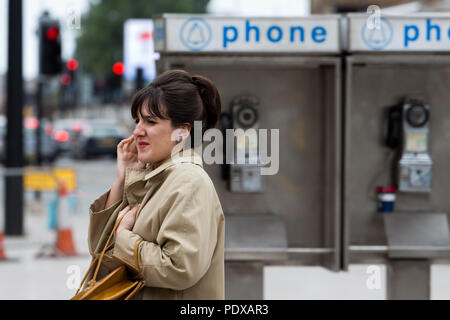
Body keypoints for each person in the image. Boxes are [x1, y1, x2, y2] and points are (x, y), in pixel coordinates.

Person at [86, 69, 225, 300]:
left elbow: (179, 268)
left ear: (181, 133)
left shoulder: (188, 182)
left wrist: (123, 237)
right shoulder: (153, 178)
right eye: (137, 120)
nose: (137, 131)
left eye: (150, 121)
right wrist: (122, 179)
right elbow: (101, 252)